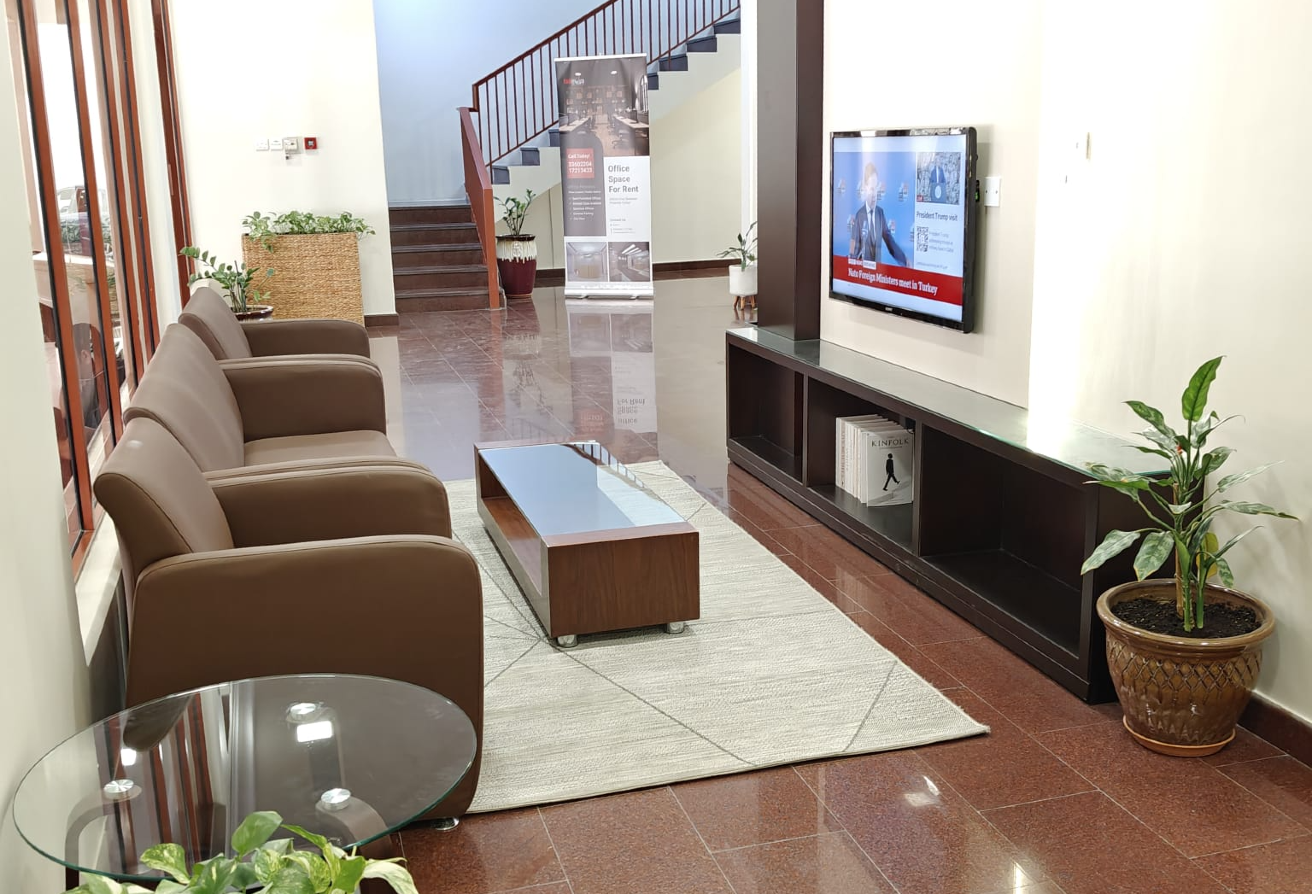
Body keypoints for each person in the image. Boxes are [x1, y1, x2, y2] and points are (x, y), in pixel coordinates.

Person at [848, 162, 908, 265]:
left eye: (876, 188)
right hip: (863, 272)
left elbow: (890, 242)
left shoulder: (880, 214)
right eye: (872, 189)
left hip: (878, 273)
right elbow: (853, 247)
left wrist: (904, 260)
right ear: (865, 188)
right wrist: (849, 262)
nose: (875, 194)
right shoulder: (859, 215)